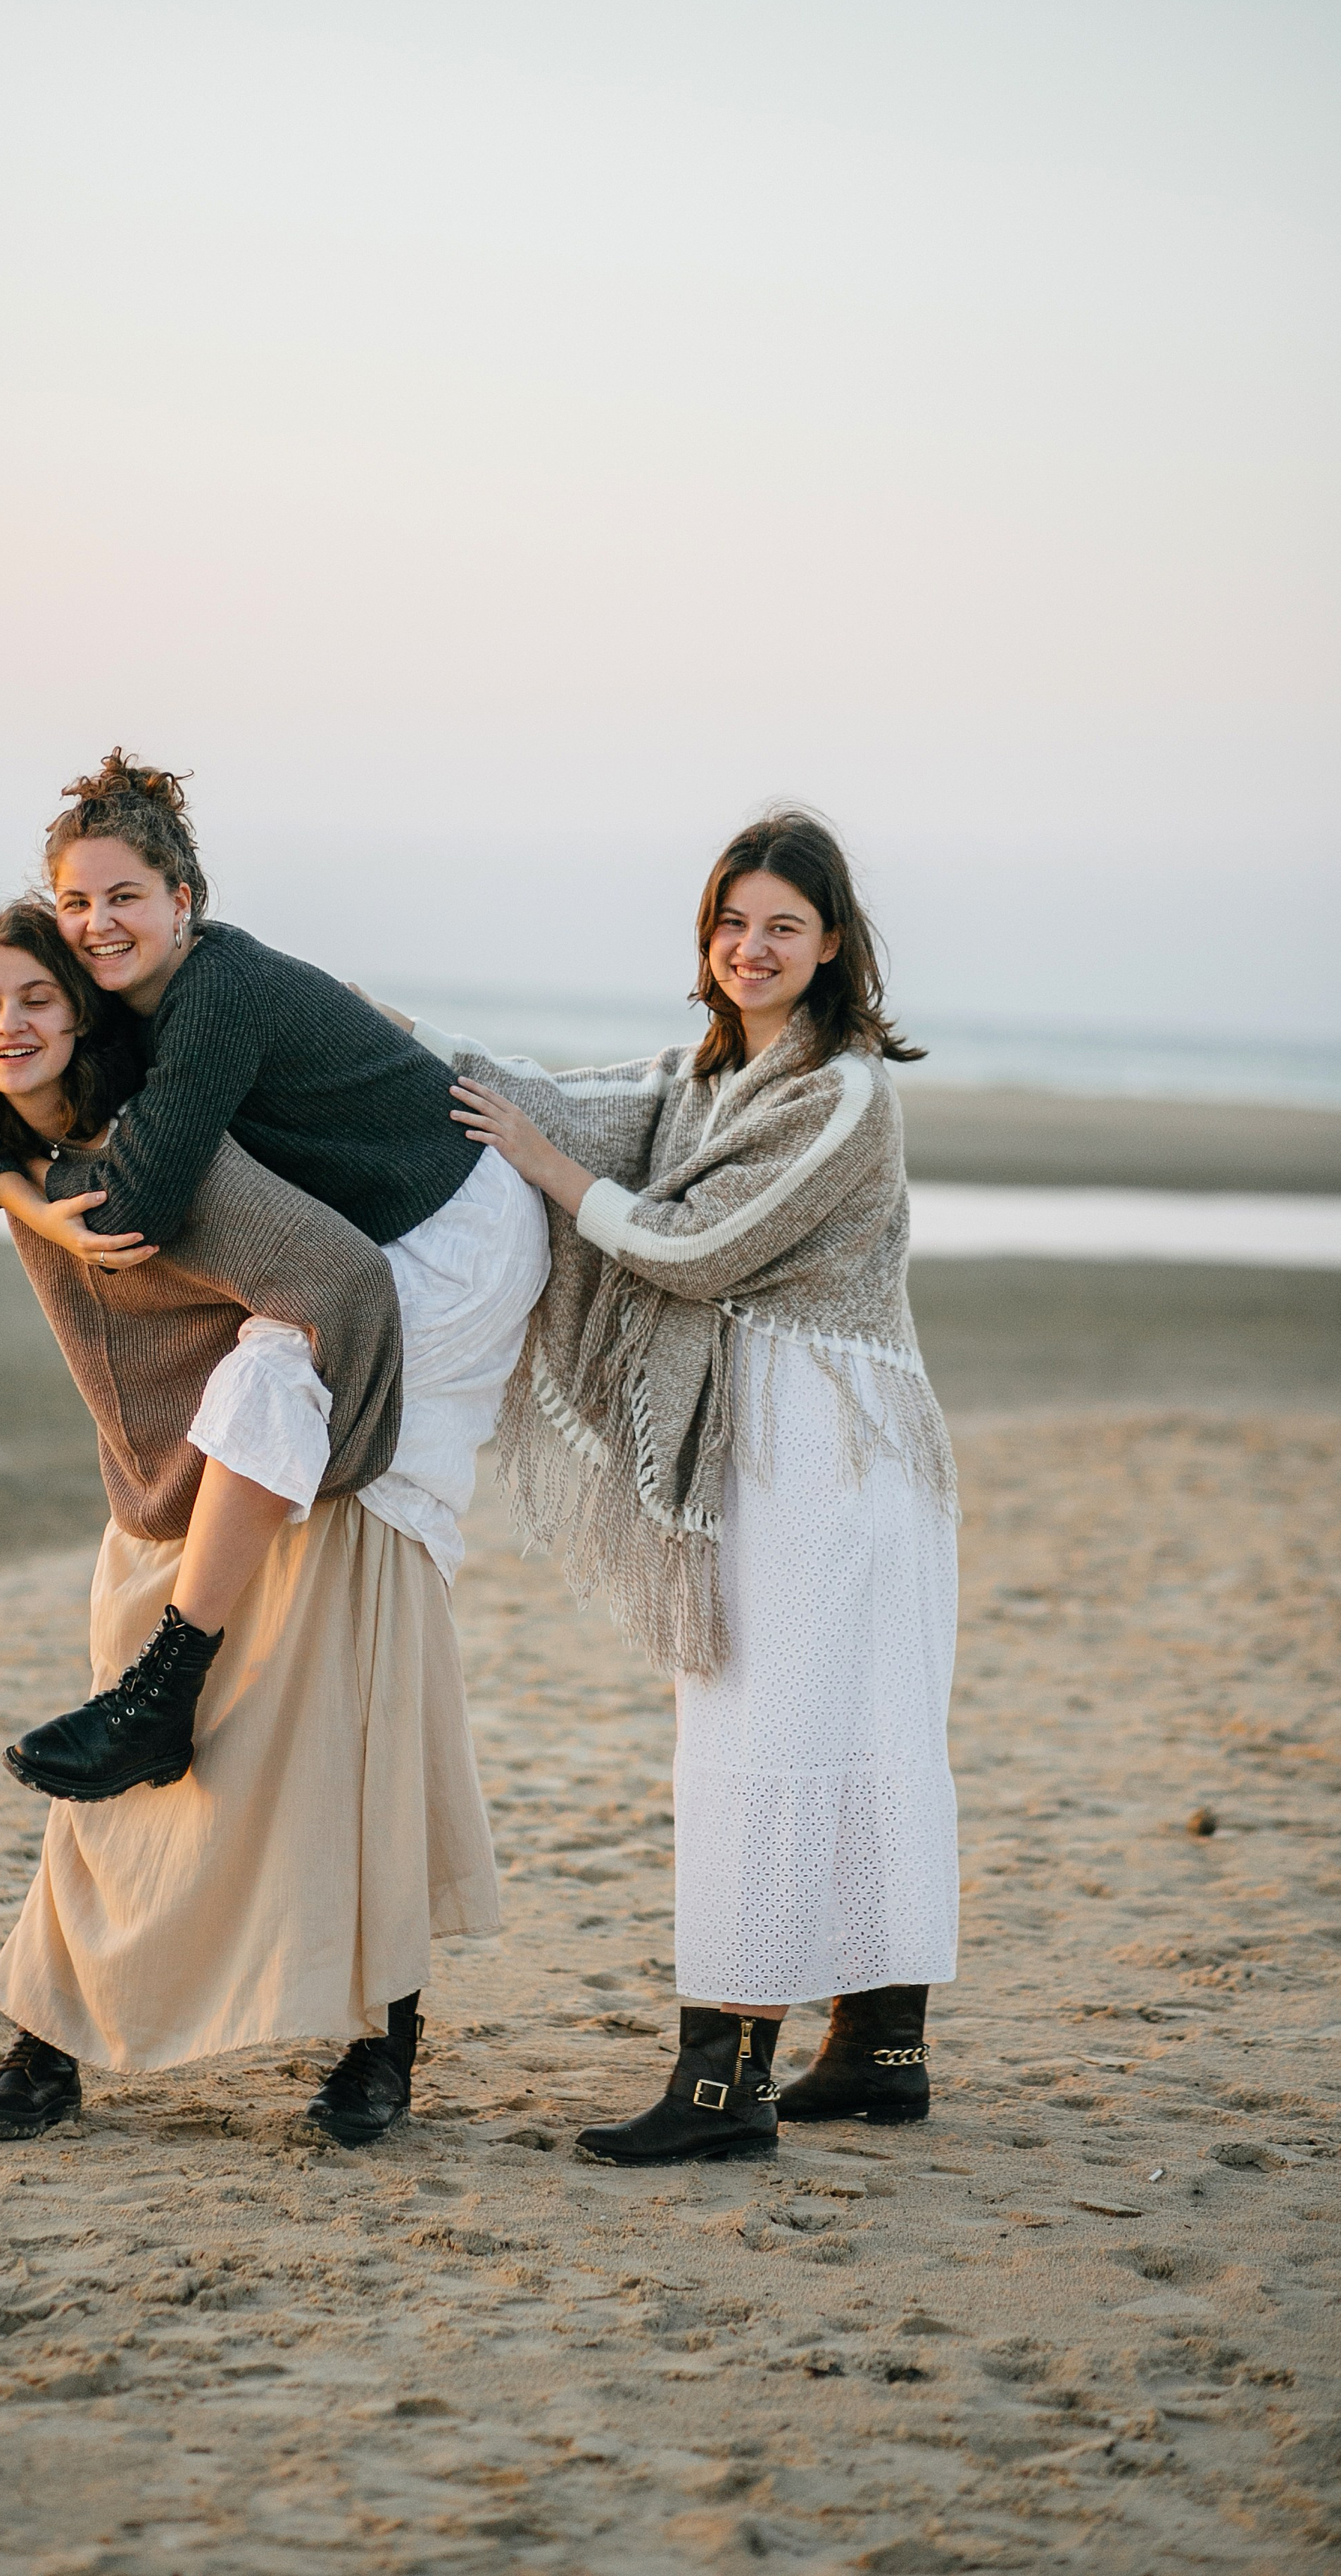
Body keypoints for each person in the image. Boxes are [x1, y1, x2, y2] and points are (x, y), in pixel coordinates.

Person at [401, 810, 961, 2160]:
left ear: (833, 944)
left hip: (833, 1451)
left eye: (783, 927)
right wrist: (377, 1034)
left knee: (773, 1737)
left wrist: (550, 1174)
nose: (751, 947)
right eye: (732, 922)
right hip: (784, 1445)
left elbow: (702, 1249)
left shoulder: (841, 1092)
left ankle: (722, 2089)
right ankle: (880, 2053)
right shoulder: (700, 1080)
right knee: (833, 1733)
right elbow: (552, 1096)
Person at [0, 902, 500, 2147]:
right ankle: (49, 2046)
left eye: (38, 999)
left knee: (351, 1760)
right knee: (116, 1777)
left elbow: (343, 1281)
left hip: (288, 1484)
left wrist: (344, 1464)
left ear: (87, 1016)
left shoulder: (157, 1152)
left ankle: (381, 2050)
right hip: (156, 1489)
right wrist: (39, 1207)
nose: (10, 1025)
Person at [0, 751, 549, 1802]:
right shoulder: (124, 999)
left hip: (453, 1227)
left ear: (183, 902)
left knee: (275, 1389)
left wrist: (65, 1201)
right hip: (384, 1214)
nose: (98, 924)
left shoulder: (215, 991)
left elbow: (140, 1206)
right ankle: (169, 1693)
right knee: (264, 1390)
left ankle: (162, 1700)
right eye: (76, 903)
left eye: (125, 897)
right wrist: (32, 1205)